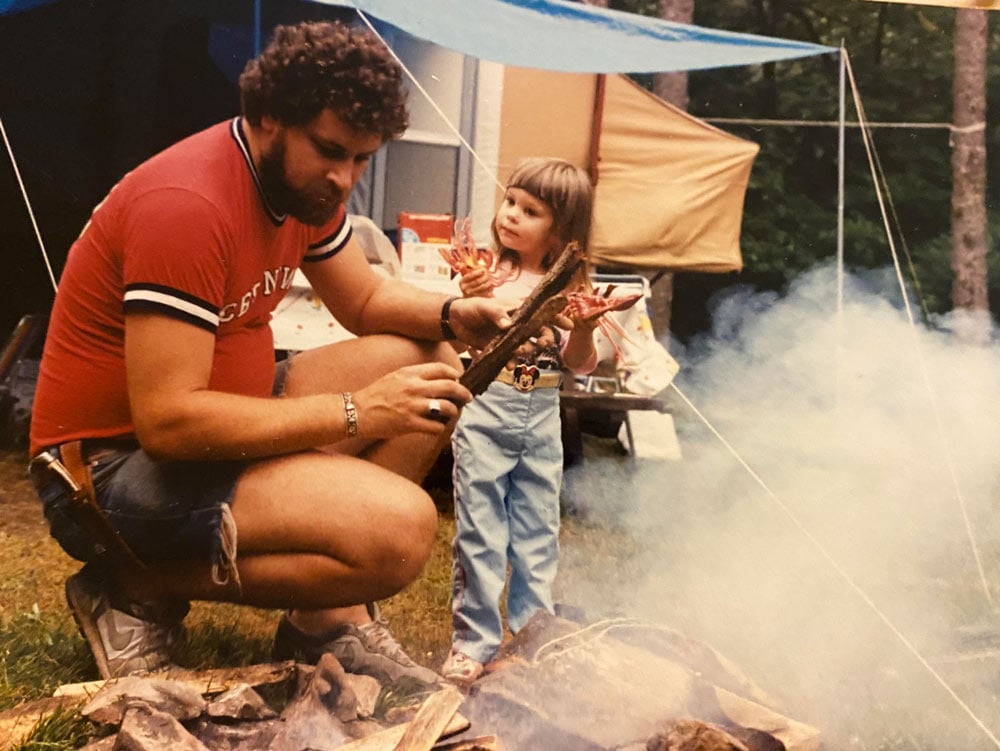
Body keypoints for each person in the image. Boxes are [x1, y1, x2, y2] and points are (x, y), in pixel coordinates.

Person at [27, 20, 514, 685]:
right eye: (331, 151)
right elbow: (168, 424)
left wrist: (458, 314)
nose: (346, 178)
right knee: (400, 532)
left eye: (363, 159)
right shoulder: (189, 204)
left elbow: (366, 302)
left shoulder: (300, 188)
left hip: (220, 424)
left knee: (429, 363)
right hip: (106, 474)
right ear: (265, 117)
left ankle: (323, 619)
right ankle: (129, 587)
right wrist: (356, 411)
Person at [441, 157, 599, 686]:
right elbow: (464, 332)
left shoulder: (571, 288)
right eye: (510, 201)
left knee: (536, 531)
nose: (511, 215)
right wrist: (472, 293)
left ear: (562, 233)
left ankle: (534, 633)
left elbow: (580, 363)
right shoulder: (484, 273)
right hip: (488, 408)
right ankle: (474, 640)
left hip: (541, 416)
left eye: (530, 211)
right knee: (481, 530)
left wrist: (581, 328)